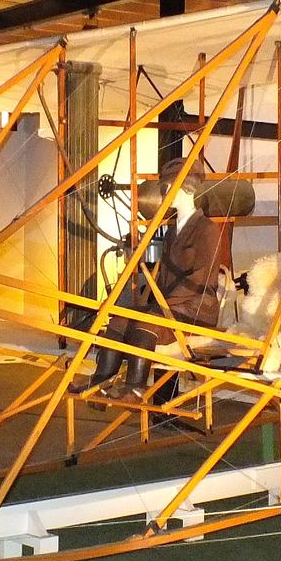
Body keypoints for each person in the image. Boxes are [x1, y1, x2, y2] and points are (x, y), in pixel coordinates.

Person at [90, 161, 232, 398]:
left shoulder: (207, 229)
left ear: (187, 189)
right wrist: (159, 304)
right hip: (171, 306)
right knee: (121, 318)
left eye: (168, 187)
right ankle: (99, 383)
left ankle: (135, 386)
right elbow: (165, 278)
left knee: (146, 321)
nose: (165, 193)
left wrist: (163, 307)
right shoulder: (173, 231)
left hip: (196, 309)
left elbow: (202, 278)